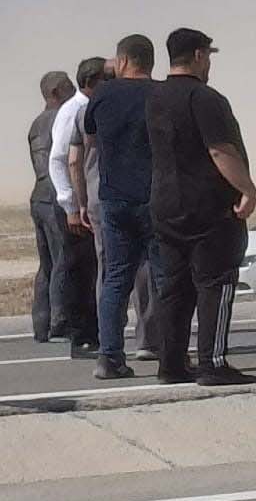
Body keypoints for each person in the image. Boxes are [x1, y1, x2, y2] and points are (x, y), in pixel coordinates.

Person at [147, 30, 256, 387]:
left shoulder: (155, 98)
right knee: (217, 282)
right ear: (197, 55)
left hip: (165, 202)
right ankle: (213, 361)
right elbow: (219, 150)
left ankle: (172, 362)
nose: (209, 62)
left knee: (175, 286)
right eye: (207, 55)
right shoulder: (205, 98)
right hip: (206, 205)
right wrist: (247, 188)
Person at [82, 35, 158, 378]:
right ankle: (169, 351)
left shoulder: (102, 94)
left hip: (113, 197)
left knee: (115, 279)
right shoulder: (160, 94)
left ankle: (109, 357)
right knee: (163, 277)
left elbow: (91, 132)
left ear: (123, 61)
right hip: (154, 196)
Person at [49, 57, 107, 360]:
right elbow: (59, 160)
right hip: (74, 205)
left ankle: (93, 333)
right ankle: (82, 337)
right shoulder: (73, 110)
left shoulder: (89, 108)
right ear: (93, 82)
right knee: (81, 271)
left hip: (83, 202)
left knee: (91, 268)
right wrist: (71, 204)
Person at [26, 71, 74, 344]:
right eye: (68, 87)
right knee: (63, 258)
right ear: (56, 92)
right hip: (54, 196)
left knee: (47, 263)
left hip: (39, 196)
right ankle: (59, 321)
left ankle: (41, 323)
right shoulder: (59, 119)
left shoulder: (35, 123)